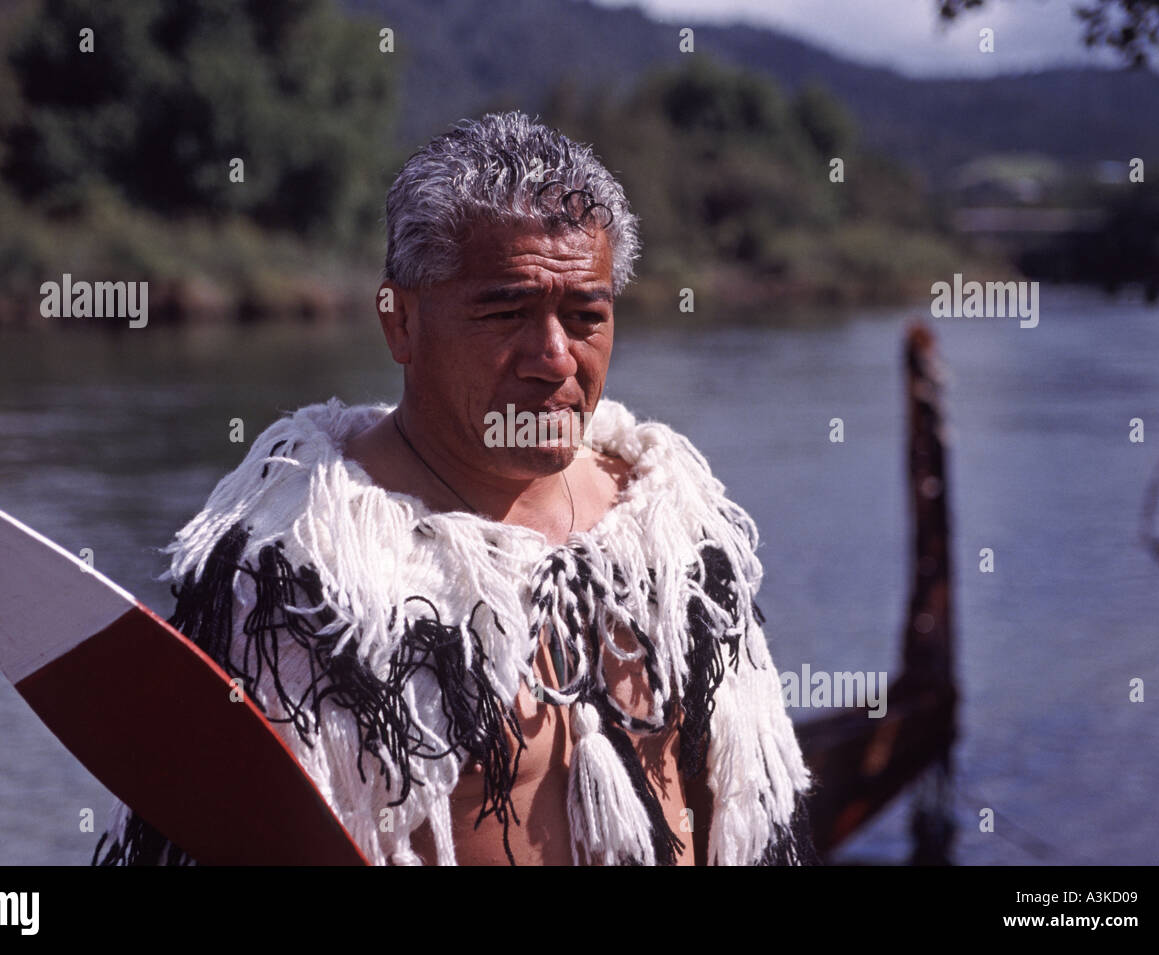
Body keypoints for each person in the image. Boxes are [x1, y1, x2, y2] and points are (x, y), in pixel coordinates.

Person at [94, 110, 817, 866]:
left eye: (585, 315)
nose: (553, 357)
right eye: (505, 311)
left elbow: (741, 805)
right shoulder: (303, 562)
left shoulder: (670, 526)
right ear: (399, 321)